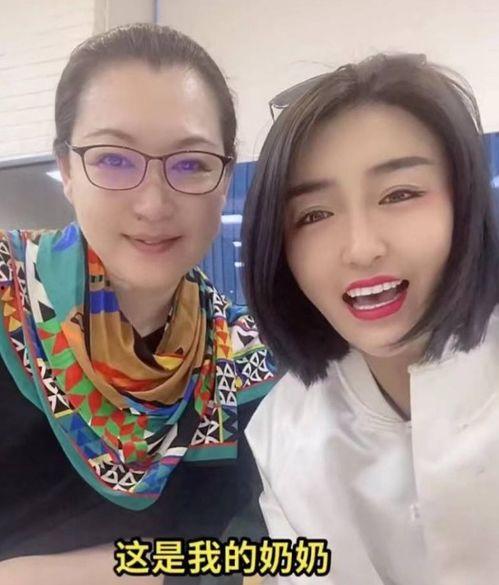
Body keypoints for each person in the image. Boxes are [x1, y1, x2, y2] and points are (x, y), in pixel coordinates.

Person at [0, 23, 275, 583]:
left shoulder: (248, 361)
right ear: (68, 169)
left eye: (191, 163)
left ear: (224, 178)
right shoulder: (9, 296)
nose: (153, 204)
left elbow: (282, 555)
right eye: (114, 159)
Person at [242, 53, 499, 584]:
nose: (361, 248)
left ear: (464, 203)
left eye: (400, 194)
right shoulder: (283, 432)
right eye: (314, 214)